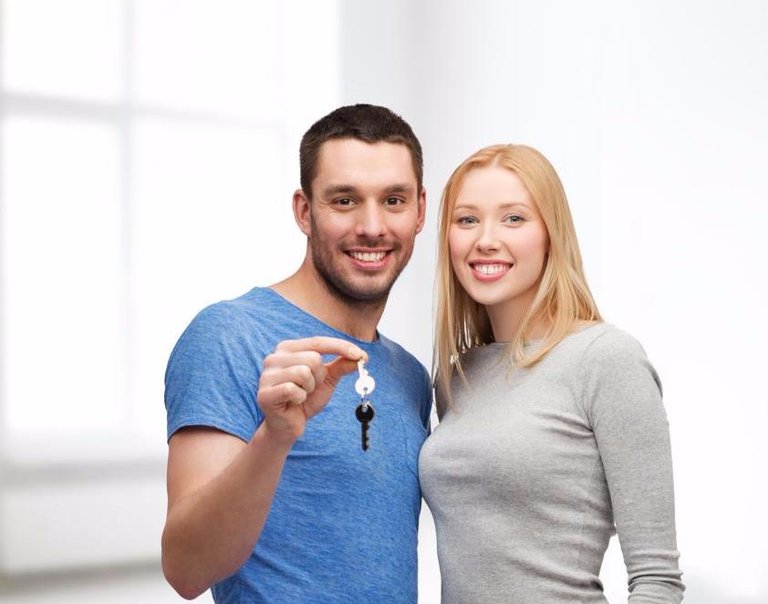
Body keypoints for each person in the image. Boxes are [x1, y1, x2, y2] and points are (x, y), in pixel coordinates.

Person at [162, 104, 432, 603]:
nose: (372, 227)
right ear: (304, 211)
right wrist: (275, 437)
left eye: (392, 200)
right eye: (345, 200)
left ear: (420, 210)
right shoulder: (229, 335)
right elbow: (185, 568)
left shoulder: (410, 376)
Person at [419, 144, 684, 602]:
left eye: (514, 218)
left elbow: (656, 579)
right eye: (467, 220)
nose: (485, 238)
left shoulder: (605, 358)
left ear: (551, 234)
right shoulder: (457, 375)